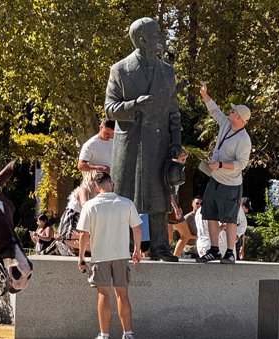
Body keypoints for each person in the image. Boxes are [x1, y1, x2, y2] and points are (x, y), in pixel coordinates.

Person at [105, 17, 181, 262]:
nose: (161, 37)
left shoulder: (168, 72)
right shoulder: (120, 69)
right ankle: (124, 246)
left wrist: (176, 143)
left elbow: (173, 112)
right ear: (142, 39)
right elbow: (109, 109)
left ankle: (161, 247)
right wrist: (133, 105)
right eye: (157, 33)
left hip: (158, 145)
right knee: (126, 198)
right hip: (130, 145)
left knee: (159, 197)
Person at [77, 172, 142, 339]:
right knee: (123, 294)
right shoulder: (126, 203)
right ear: (111, 183)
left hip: (100, 255)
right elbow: (137, 228)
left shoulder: (90, 206)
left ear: (97, 188)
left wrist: (81, 257)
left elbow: (84, 234)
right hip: (121, 254)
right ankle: (127, 333)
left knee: (104, 294)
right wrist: (137, 249)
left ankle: (104, 335)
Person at [197, 81, 252, 264]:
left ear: (240, 118)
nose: (231, 111)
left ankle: (229, 252)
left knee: (229, 218)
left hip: (231, 184)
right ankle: (214, 250)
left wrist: (220, 164)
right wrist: (205, 95)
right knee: (209, 212)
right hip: (215, 178)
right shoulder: (226, 124)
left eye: (234, 111)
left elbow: (241, 164)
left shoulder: (244, 139)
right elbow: (215, 111)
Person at [167, 148, 193, 257]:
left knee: (170, 236)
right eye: (183, 159)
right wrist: (175, 207)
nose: (184, 162)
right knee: (185, 235)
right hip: (169, 202)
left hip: (171, 202)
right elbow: (169, 191)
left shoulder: (173, 169)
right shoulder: (172, 170)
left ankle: (171, 256)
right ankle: (173, 256)